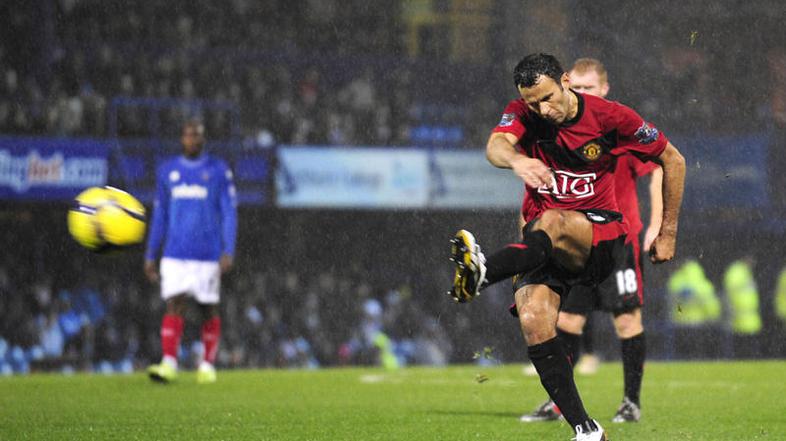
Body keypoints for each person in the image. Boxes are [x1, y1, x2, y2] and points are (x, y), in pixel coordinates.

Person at [448, 53, 685, 441]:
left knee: (556, 221)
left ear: (566, 82)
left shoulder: (611, 117)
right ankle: (586, 429)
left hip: (599, 237)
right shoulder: (523, 114)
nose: (542, 109)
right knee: (534, 320)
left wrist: (668, 231)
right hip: (543, 242)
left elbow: (673, 160)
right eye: (532, 102)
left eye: (547, 98)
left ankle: (484, 271)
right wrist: (517, 162)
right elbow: (495, 146)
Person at [520, 58, 664, 424]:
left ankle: (631, 401)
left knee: (627, 320)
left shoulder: (616, 128)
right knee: (566, 321)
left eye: (589, 87)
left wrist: (657, 225)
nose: (582, 93)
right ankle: (559, 404)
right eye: (577, 87)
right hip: (577, 244)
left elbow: (660, 165)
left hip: (618, 241)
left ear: (604, 89)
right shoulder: (560, 132)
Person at [144, 120, 238, 384]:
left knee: (208, 307)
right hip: (175, 251)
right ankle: (169, 363)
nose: (193, 139)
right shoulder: (168, 171)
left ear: (203, 139)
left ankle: (207, 365)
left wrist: (228, 249)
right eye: (188, 135)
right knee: (174, 303)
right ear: (182, 138)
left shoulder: (218, 170)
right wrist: (151, 254)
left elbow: (229, 212)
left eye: (197, 135)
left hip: (207, 253)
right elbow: (160, 215)